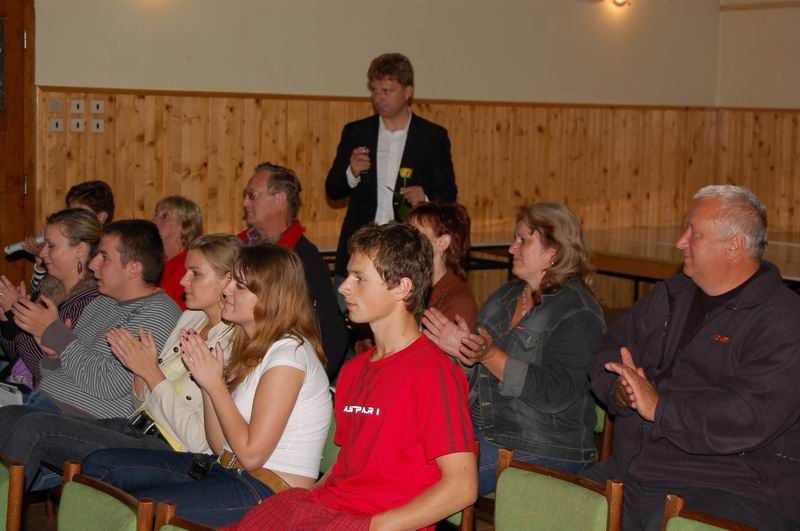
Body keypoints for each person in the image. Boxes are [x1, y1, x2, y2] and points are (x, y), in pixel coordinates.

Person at [227, 223, 476, 531]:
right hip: (330, 509)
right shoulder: (355, 370)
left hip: (375, 522)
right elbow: (344, 466)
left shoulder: (433, 372)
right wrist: (306, 505)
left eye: (360, 278)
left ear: (402, 288)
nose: (344, 287)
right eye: (348, 276)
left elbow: (462, 486)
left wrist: (375, 526)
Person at [584, 185, 800, 530]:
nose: (680, 242)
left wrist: (660, 408)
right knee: (547, 508)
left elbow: (749, 416)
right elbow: (608, 350)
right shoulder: (670, 296)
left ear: (734, 245)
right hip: (633, 471)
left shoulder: (784, 320)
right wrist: (620, 390)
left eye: (694, 233)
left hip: (732, 487)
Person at [82, 245, 332, 527]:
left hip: (268, 491)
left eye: (239, 286)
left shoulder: (289, 356)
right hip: (226, 469)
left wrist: (215, 387)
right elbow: (217, 444)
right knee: (99, 465)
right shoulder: (251, 347)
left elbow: (251, 456)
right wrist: (206, 382)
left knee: (133, 509)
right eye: (230, 282)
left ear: (269, 297)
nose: (227, 291)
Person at [0, 234, 241, 491]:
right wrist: (140, 374)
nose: (183, 280)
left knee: (34, 428)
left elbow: (197, 441)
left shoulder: (232, 344)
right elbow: (141, 404)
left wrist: (151, 374)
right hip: (133, 427)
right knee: (10, 415)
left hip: (172, 452)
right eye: (186, 271)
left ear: (228, 281)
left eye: (196, 273)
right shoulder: (192, 318)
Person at [424, 203, 605, 497]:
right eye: (514, 238)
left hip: (544, 445)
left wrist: (488, 355)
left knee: (425, 480)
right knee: (402, 457)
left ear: (554, 251)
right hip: (485, 431)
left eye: (523, 240)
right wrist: (464, 352)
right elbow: (477, 375)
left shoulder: (577, 311)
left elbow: (555, 393)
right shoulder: (506, 297)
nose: (511, 248)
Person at [12, 219, 181, 418]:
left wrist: (58, 335)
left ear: (133, 269)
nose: (92, 265)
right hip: (42, 402)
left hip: (81, 420)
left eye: (104, 257)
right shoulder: (102, 301)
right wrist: (54, 357)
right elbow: (58, 376)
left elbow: (111, 384)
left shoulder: (158, 312)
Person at [325, 53, 457, 286]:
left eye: (387, 91)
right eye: (375, 91)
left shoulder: (432, 137)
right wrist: (351, 173)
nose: (379, 98)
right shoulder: (356, 132)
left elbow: (449, 193)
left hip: (408, 250)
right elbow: (333, 190)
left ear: (408, 92)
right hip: (361, 247)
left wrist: (425, 198)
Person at [239, 162, 348, 380]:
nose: (245, 202)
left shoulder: (304, 258)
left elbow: (332, 333)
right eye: (246, 195)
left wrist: (304, 380)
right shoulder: (237, 248)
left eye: (252, 195)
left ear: (280, 199)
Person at [0, 209, 101, 390]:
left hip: (47, 398)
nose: (43, 253)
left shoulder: (88, 302)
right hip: (18, 386)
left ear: (80, 249)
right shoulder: (48, 286)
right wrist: (8, 321)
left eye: (51, 246)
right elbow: (18, 357)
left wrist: (16, 317)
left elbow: (48, 374)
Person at [407, 202, 477, 329]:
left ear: (442, 243)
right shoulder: (411, 287)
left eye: (416, 235)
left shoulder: (459, 301)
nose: (406, 243)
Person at [152, 195, 203, 310]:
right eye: (155, 214)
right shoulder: (152, 261)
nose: (154, 220)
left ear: (185, 226)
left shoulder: (188, 265)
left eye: (164, 216)